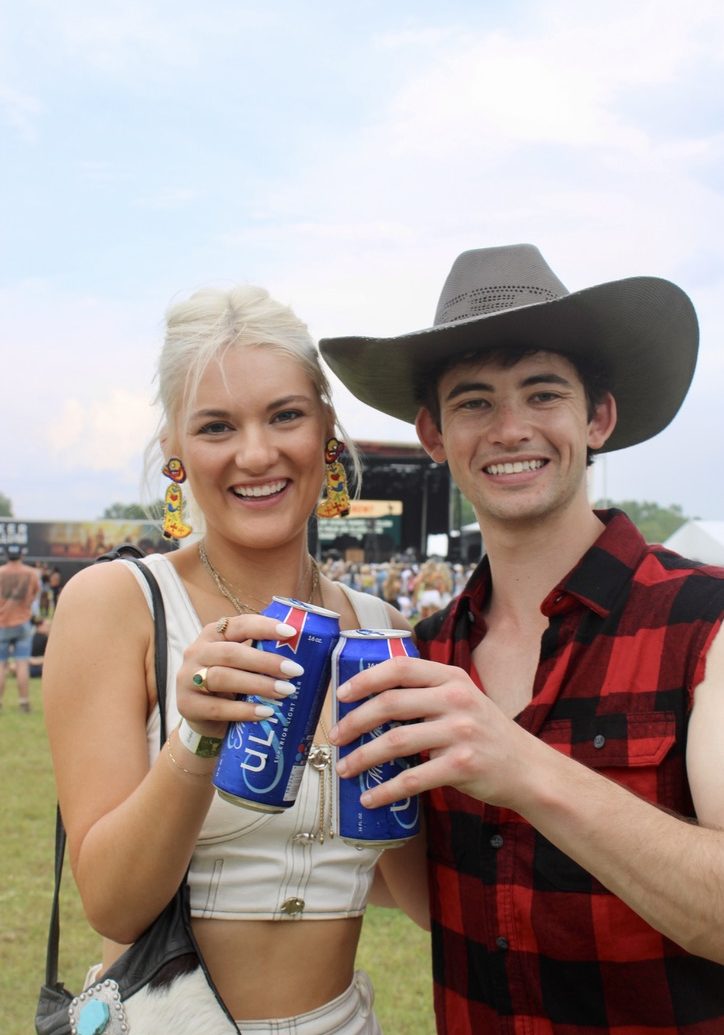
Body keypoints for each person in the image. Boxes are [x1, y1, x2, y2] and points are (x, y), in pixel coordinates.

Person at [320, 244, 724, 1033]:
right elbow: (450, 909)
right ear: (434, 434)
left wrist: (521, 766)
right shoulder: (424, 655)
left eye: (543, 393)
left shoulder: (703, 620)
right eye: (474, 403)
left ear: (596, 416)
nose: (511, 429)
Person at [43, 284, 428, 1034]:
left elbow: (416, 896)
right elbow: (113, 903)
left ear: (328, 432)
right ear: (176, 455)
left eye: (285, 414)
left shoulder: (384, 629)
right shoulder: (118, 604)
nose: (256, 452)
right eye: (217, 426)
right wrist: (196, 737)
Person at [0, 544, 41, 712]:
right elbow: (35, 595)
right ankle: (24, 702)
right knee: (22, 664)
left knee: (1, 665)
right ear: (21, 556)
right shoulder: (31, 573)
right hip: (23, 623)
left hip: (2, 623)